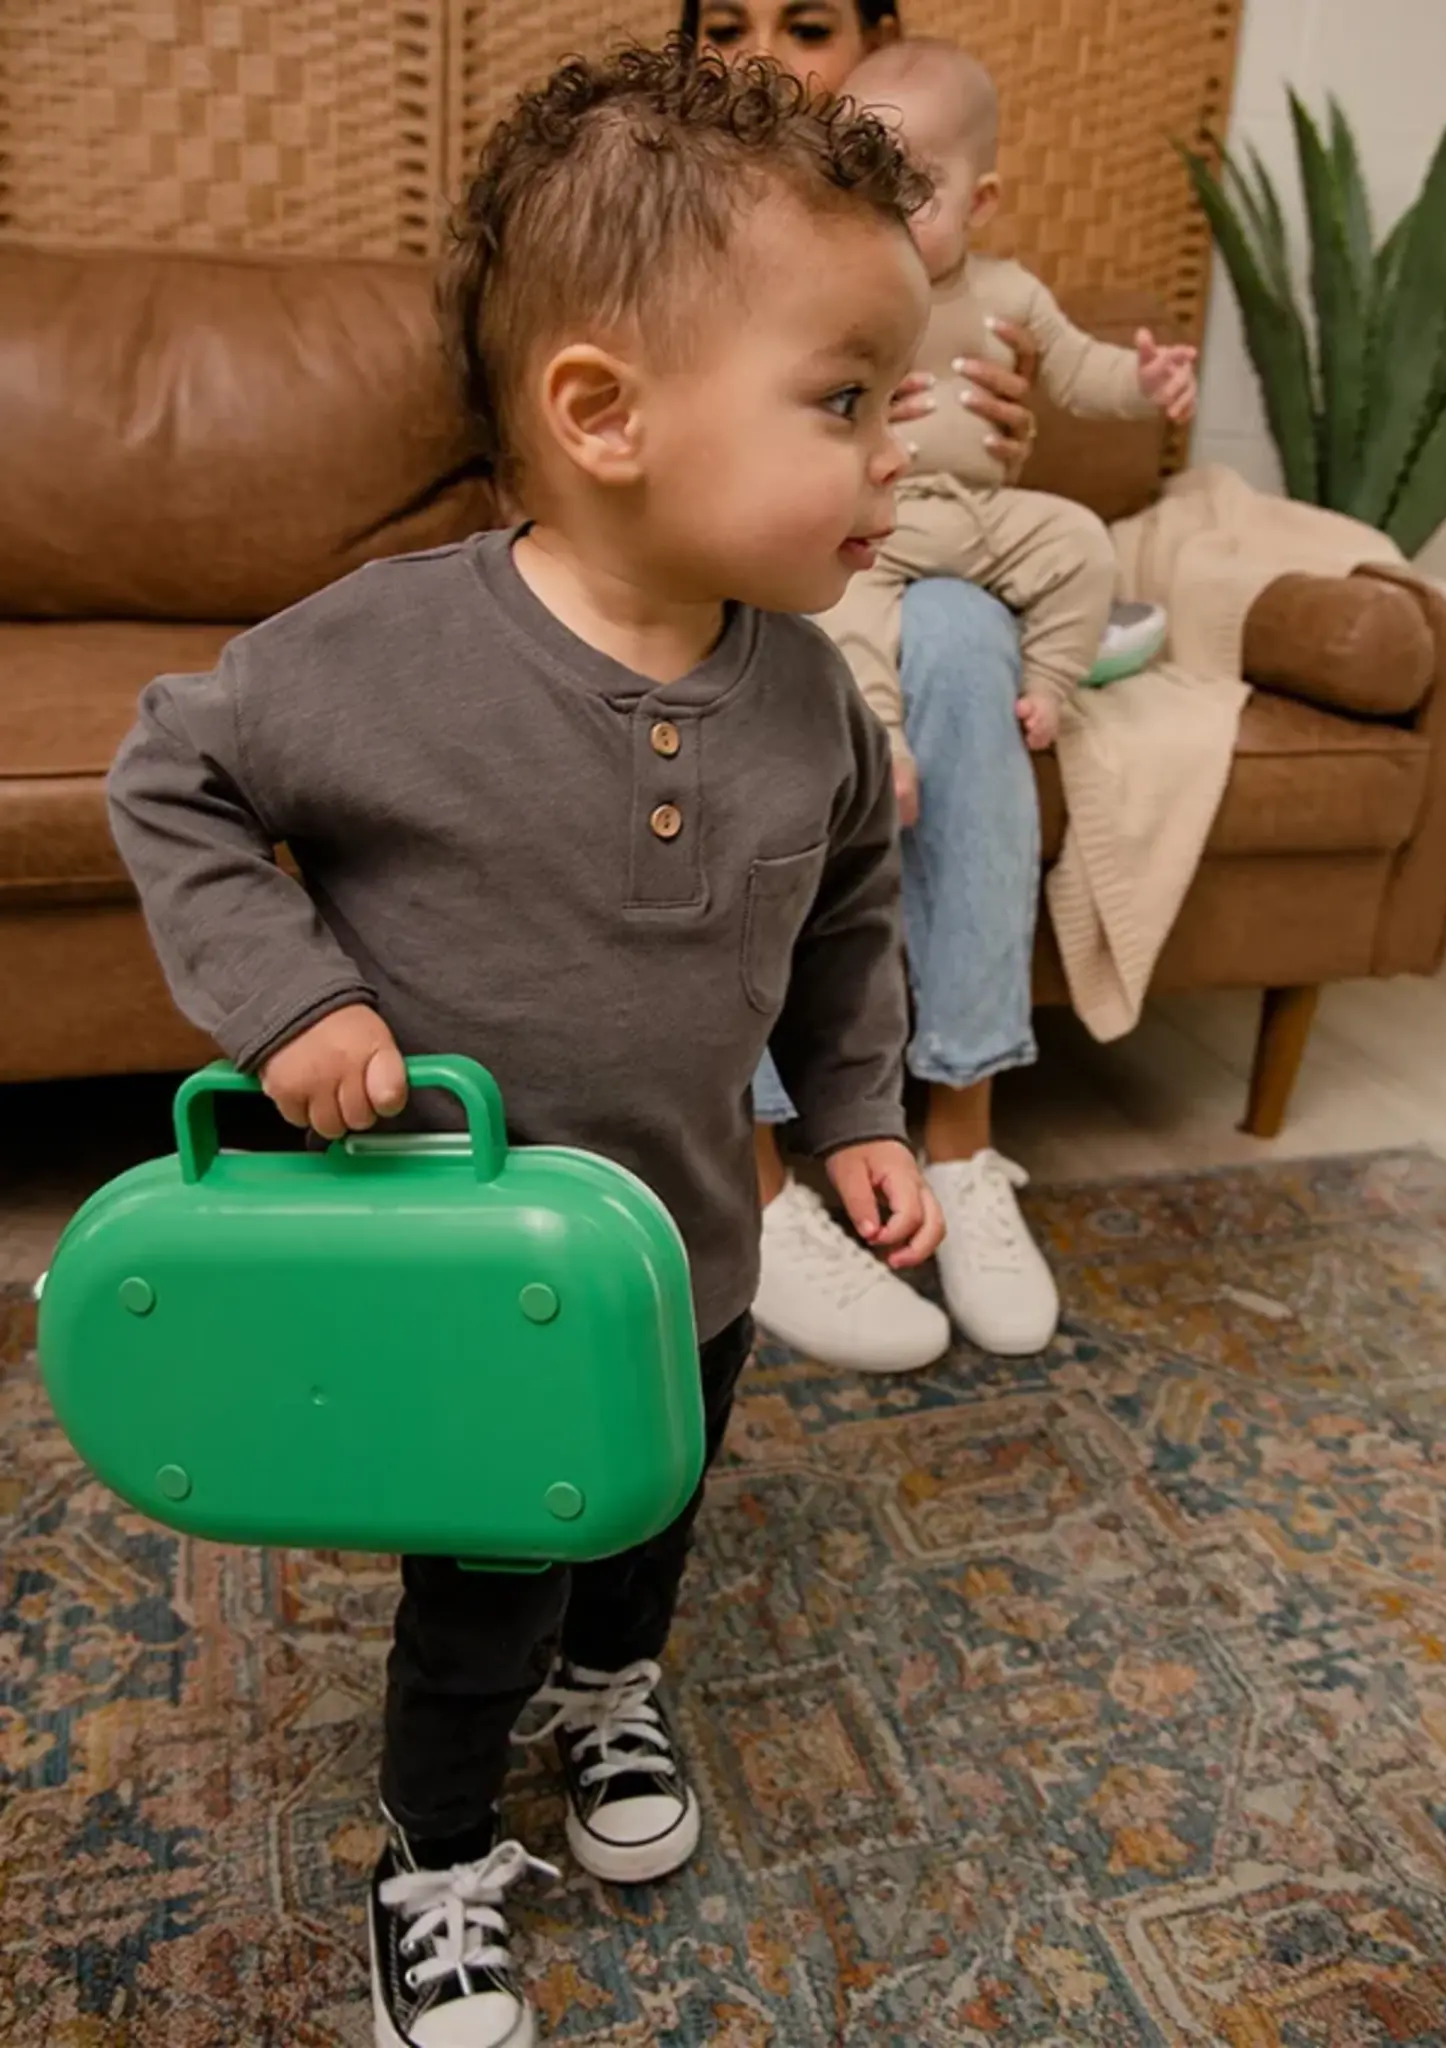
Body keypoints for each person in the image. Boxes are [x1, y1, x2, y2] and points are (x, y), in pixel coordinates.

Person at [106, 46, 942, 2048]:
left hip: (686, 1253)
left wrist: (851, 1117)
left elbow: (843, 921)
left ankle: (615, 1688)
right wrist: (295, 998)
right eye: (841, 403)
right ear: (602, 411)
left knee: (652, 1513)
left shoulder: (810, 700)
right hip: (468, 1278)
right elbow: (171, 777)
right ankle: (434, 1847)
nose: (885, 461)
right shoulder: (379, 657)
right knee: (485, 1585)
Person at [684, 0, 1073, 1372]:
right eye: (724, 28)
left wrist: (996, 426)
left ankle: (959, 1142)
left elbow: (979, 452)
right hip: (736, 560)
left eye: (805, 26)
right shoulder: (669, 212)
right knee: (734, 665)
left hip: (896, 550)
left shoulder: (937, 253)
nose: (765, 61)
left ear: (877, 59)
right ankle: (761, 1175)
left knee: (965, 634)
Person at [817, 39, 1198, 764]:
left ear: (980, 201)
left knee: (1082, 541)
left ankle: (1050, 682)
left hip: (986, 516)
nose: (887, 208)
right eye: (864, 182)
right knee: (845, 605)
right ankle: (881, 740)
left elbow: (1082, 369)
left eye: (916, 185)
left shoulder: (1009, 294)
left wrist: (1146, 384)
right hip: (881, 521)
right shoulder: (844, 300)